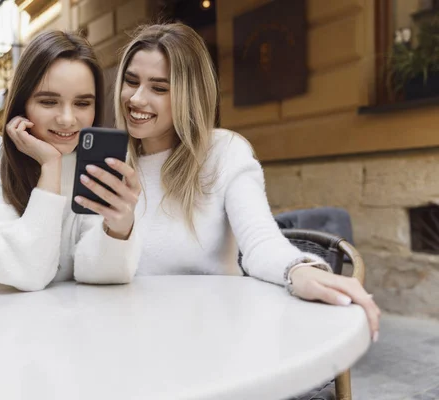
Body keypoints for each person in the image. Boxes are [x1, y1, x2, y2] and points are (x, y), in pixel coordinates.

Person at [113, 23, 380, 341]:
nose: (137, 98)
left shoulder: (223, 152)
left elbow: (261, 242)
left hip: (211, 338)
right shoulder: (114, 164)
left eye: (159, 88)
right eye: (131, 82)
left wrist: (298, 270)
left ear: (189, 95)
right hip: (132, 334)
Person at [0, 30, 141, 295]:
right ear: (23, 103)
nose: (67, 119)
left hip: (56, 324)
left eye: (82, 103)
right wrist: (50, 166)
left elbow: (95, 274)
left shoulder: (92, 162)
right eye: (49, 101)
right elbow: (25, 273)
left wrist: (119, 229)